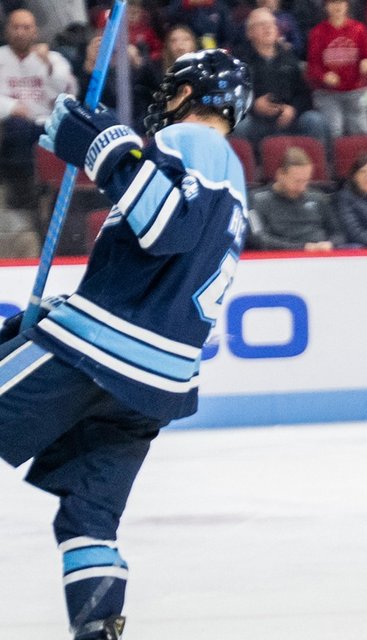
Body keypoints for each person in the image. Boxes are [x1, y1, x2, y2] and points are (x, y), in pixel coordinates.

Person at [3, 49, 251, 640]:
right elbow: (161, 266)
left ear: (193, 97)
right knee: (88, 519)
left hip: (101, 354)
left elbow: (167, 226)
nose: (163, 105)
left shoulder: (197, 142)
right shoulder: (232, 175)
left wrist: (105, 145)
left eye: (172, 92)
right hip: (152, 385)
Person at [0, 9, 77, 200]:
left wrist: (48, 64)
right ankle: (19, 195)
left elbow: (70, 92)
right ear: (6, 30)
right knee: (17, 128)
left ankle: (51, 195)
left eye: (26, 27)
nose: (20, 32)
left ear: (35, 32)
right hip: (12, 125)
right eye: (15, 27)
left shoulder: (54, 59)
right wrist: (10, 107)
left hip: (46, 123)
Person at [235, 8, 332, 145]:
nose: (268, 28)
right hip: (256, 121)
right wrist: (253, 105)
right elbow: (232, 97)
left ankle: (322, 165)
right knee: (240, 126)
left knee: (314, 120)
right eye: (261, 24)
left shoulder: (290, 59)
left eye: (272, 24)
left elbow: (304, 95)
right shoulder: (239, 61)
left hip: (289, 120)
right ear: (249, 33)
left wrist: (293, 110)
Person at [248, 146, 345, 251]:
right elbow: (257, 239)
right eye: (297, 181)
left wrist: (330, 244)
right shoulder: (257, 200)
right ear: (280, 174)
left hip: (320, 254)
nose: (302, 187)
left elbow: (339, 234)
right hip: (281, 258)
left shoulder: (318, 197)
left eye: (306, 180)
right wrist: (301, 248)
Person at [307, 0, 367, 138]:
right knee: (335, 129)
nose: (337, 7)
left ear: (347, 5)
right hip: (328, 93)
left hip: (355, 91)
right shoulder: (317, 32)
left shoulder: (359, 29)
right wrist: (324, 76)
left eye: (341, 2)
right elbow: (312, 67)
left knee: (362, 130)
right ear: (326, 7)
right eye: (333, 3)